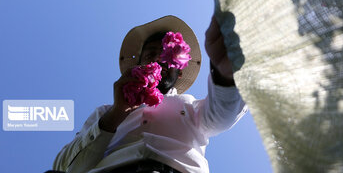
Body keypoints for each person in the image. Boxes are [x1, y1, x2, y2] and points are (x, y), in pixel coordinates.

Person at [52, 15, 248, 173]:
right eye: (150, 54)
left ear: (179, 70)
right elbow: (65, 168)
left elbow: (222, 115)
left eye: (166, 53)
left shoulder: (190, 106)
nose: (157, 58)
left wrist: (225, 75)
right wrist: (116, 114)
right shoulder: (104, 113)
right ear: (138, 65)